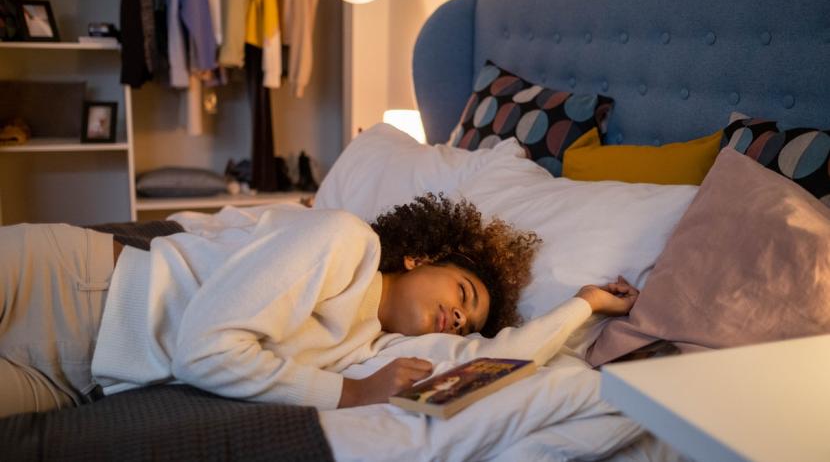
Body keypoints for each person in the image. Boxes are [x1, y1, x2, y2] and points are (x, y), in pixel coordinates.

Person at [0, 193, 637, 418]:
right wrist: (354, 396)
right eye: (462, 294)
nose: (460, 318)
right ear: (420, 257)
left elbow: (499, 362)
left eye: (467, 322)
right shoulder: (344, 241)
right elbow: (202, 352)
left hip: (79, 381)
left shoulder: (372, 348)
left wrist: (582, 305)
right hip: (65, 286)